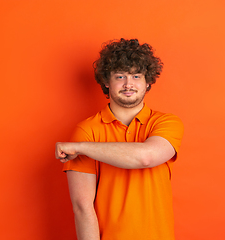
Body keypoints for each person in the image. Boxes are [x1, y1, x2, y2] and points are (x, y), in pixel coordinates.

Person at [55, 38, 184, 240]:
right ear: (106, 81)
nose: (128, 84)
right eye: (120, 76)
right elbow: (82, 208)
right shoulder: (87, 130)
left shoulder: (166, 123)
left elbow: (146, 157)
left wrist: (81, 148)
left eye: (136, 76)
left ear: (147, 81)